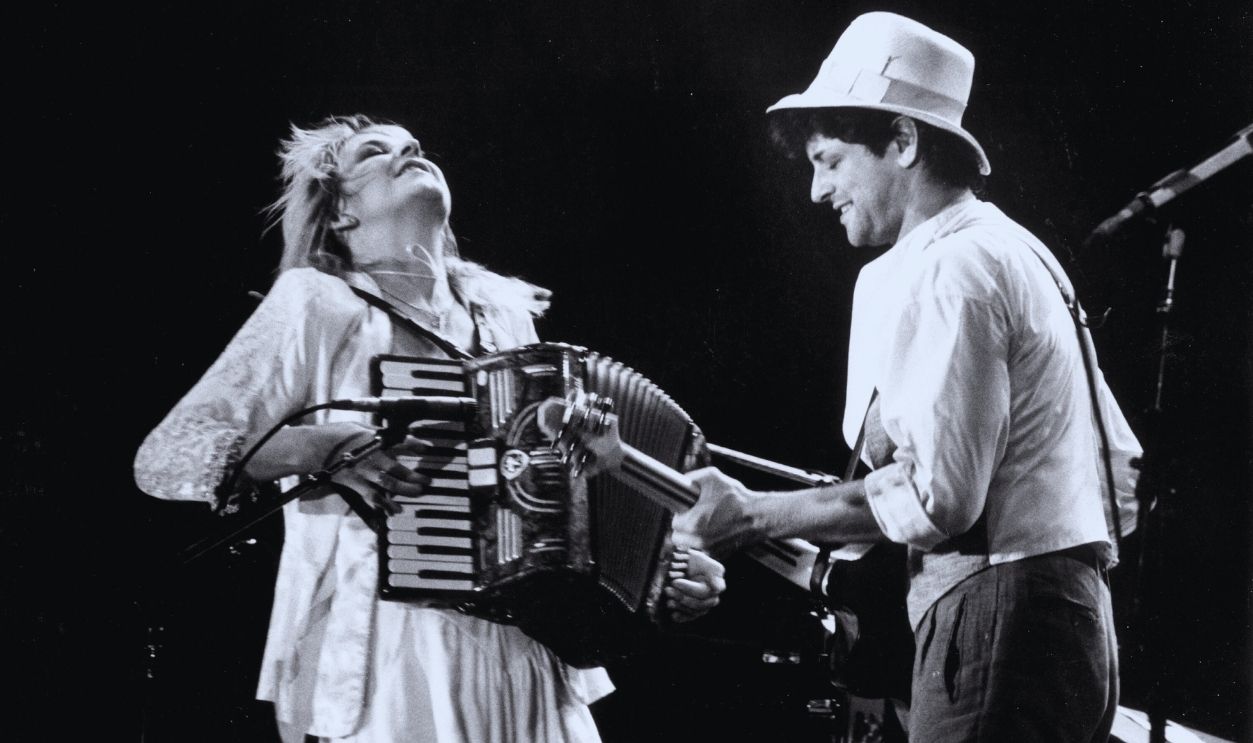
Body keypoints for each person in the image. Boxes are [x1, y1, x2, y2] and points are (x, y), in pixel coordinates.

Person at [134, 114, 725, 743]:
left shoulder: (503, 316)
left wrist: (664, 562)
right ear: (339, 215)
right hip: (393, 650)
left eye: (412, 144)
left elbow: (556, 493)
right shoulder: (318, 300)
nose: (410, 149)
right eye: (374, 152)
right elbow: (168, 456)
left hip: (529, 648)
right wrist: (323, 444)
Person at [671, 13, 1142, 742]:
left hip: (997, 618)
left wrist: (753, 515)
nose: (815, 191)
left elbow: (937, 498)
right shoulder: (1018, 252)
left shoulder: (948, 268)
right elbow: (1120, 469)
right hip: (1071, 619)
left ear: (902, 141)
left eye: (827, 160)